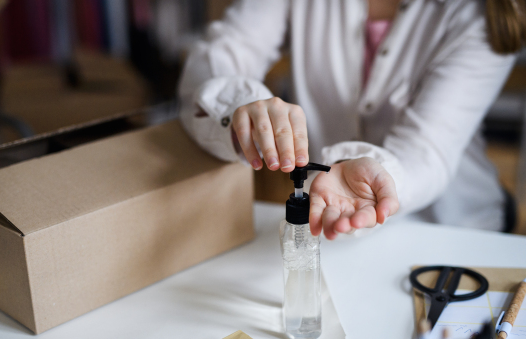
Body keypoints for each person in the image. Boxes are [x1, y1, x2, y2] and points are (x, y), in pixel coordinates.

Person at [178, 0, 525, 239]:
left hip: (452, 230)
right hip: (335, 222)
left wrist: (379, 177)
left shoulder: (483, 13)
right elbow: (218, 57)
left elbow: (426, 151)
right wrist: (242, 107)